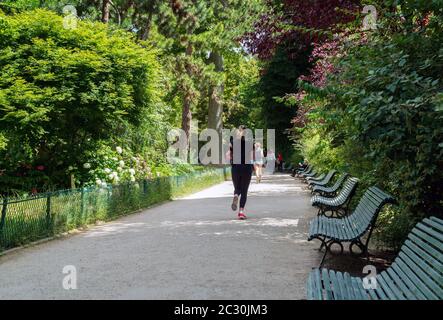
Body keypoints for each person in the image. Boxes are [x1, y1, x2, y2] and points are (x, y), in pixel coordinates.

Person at [229, 125, 254, 220]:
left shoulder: (233, 142)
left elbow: (230, 152)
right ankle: (241, 212)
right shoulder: (250, 142)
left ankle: (236, 195)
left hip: (235, 167)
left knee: (237, 188)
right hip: (246, 167)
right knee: (244, 191)